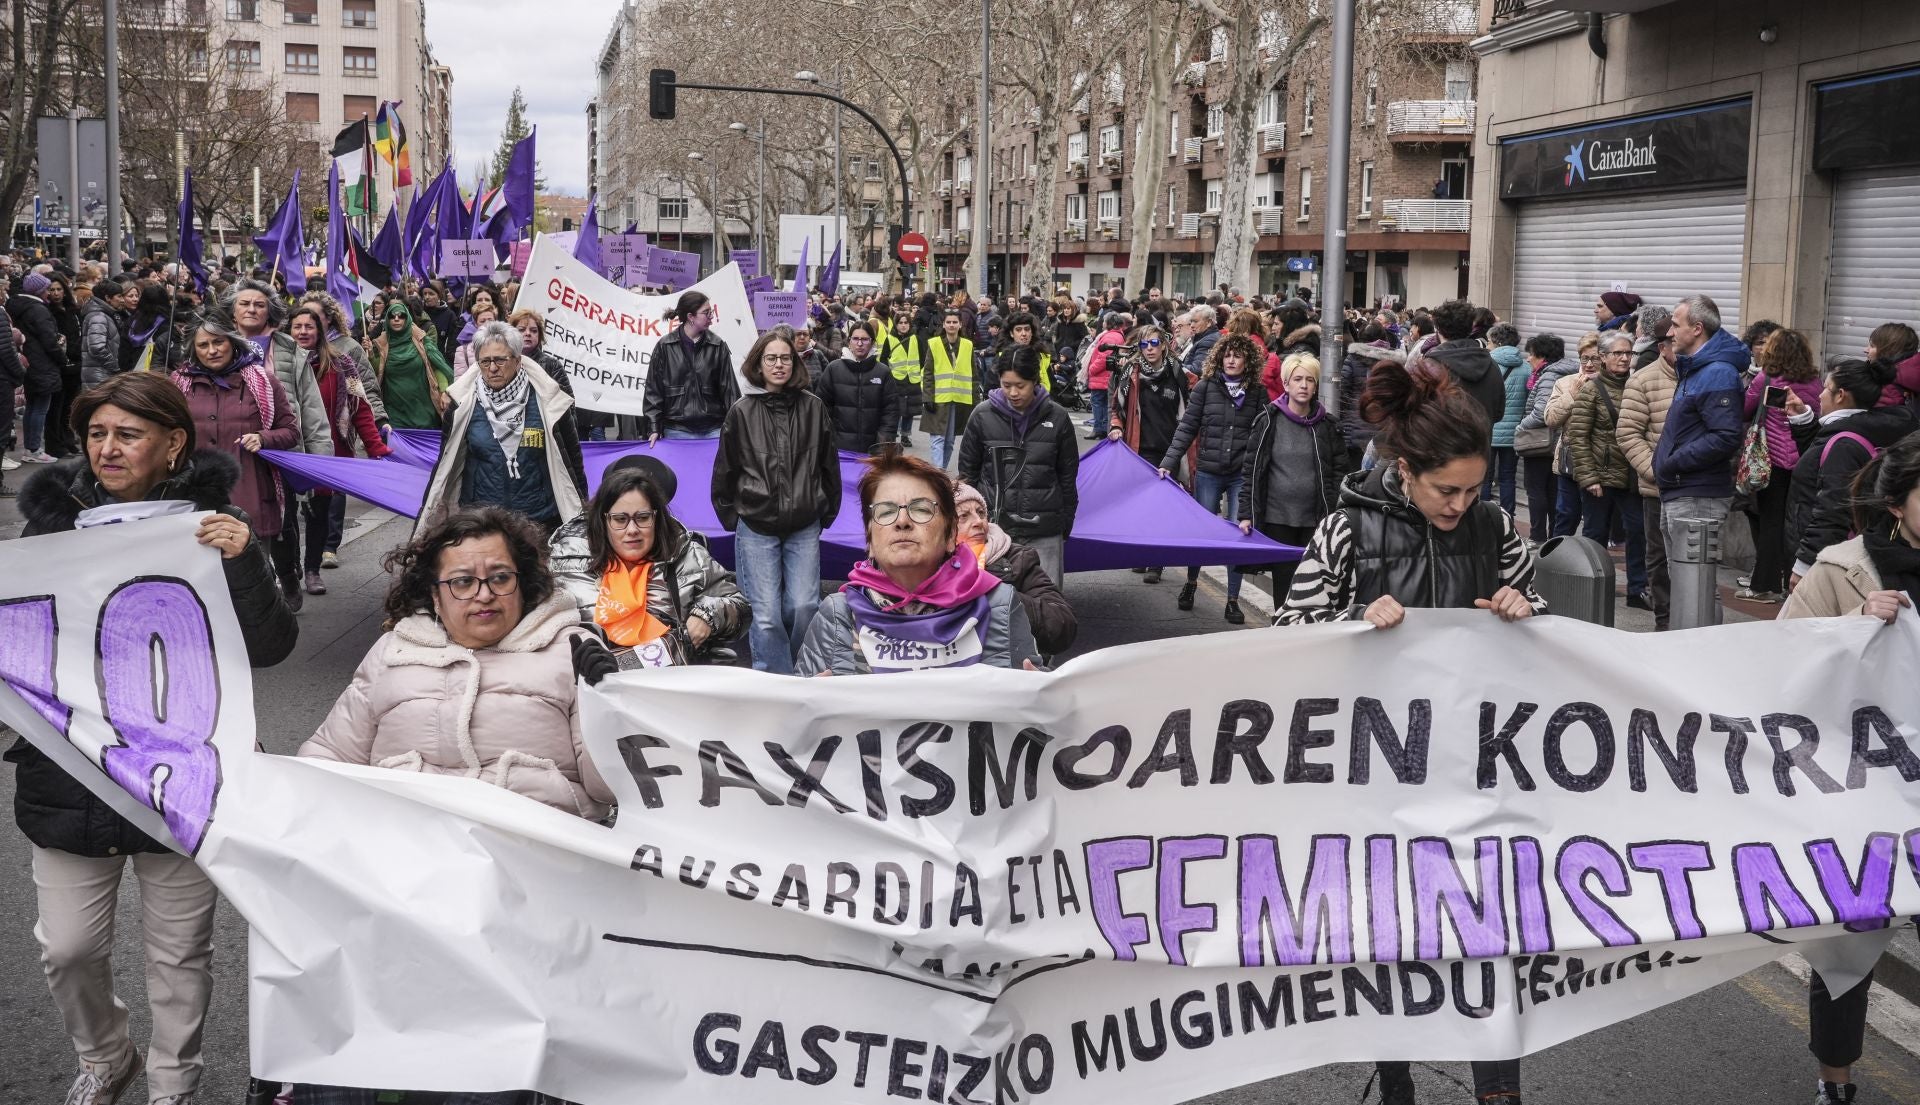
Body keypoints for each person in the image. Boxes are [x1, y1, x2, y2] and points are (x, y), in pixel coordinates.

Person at [11, 371, 296, 1105]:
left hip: (184, 773)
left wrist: (244, 564)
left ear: (173, 444)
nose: (108, 448)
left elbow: (269, 646)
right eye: (97, 433)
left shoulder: (216, 527)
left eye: (127, 434)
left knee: (179, 953)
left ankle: (173, 1081)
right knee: (67, 948)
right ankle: (106, 1056)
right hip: (71, 772)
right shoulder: (49, 525)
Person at [301, 507, 615, 819]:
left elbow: (611, 788)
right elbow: (329, 757)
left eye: (501, 578)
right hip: (405, 849)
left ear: (524, 583)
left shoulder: (572, 649)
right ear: (434, 595)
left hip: (538, 854)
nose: (484, 594)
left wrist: (612, 707)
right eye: (463, 582)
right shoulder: (391, 652)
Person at [1779, 433, 1920, 1105]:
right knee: (1846, 950)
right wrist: (1850, 633)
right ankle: (1835, 1079)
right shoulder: (1842, 568)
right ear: (1897, 503)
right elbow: (1781, 670)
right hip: (1860, 796)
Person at [797, 451, 1039, 675]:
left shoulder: (998, 604)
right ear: (869, 539)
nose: (902, 521)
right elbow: (794, 714)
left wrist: (1044, 702)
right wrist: (807, 712)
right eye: (885, 511)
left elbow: (1037, 713)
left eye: (921, 509)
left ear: (951, 535)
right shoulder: (837, 614)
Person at [712, 327, 840, 674]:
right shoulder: (741, 411)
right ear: (759, 362)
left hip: (803, 524)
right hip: (756, 525)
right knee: (765, 614)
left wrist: (822, 511)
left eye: (785, 358)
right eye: (772, 358)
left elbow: (829, 465)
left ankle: (805, 673)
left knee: (803, 606)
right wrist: (735, 518)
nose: (779, 365)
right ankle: (775, 684)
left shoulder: (813, 408)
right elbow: (725, 471)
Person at [552, 454, 749, 667]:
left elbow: (740, 607)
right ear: (603, 520)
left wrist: (708, 615)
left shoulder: (686, 553)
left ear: (656, 518)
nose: (632, 530)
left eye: (642, 518)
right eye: (620, 519)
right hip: (592, 683)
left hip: (669, 684)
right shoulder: (566, 560)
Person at [172, 312, 305, 608]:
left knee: (254, 572)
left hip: (253, 490)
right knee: (206, 571)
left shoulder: (261, 381)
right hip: (197, 494)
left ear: (232, 342)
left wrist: (264, 437)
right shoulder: (179, 384)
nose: (212, 351)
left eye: (218, 342)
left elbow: (290, 431)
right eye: (203, 345)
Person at [419, 320, 587, 534]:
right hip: (482, 522)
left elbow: (573, 460)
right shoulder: (462, 404)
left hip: (539, 520)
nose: (492, 368)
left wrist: (583, 514)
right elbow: (444, 463)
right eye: (485, 361)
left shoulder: (549, 401)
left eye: (500, 360)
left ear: (517, 361)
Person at [1159, 333, 1269, 623]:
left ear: (1248, 360)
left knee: (1237, 537)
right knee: (1201, 533)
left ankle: (1233, 600)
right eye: (1227, 355)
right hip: (1208, 470)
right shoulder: (1206, 387)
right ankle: (1191, 583)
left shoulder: (1258, 392)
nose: (1231, 360)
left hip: (1240, 476)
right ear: (1219, 358)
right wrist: (1169, 462)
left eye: (1238, 355)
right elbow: (1187, 427)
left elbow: (1265, 436)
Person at [1652, 295, 1751, 605]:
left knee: (1696, 592)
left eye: (1676, 325)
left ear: (1697, 329)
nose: (1670, 333)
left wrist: (1672, 463)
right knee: (1685, 588)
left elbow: (1725, 435)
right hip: (1681, 489)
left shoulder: (1716, 371)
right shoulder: (1697, 368)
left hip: (1696, 494)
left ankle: (1702, 649)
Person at [1785, 358, 1919, 585]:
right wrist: (1803, 419)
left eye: (1826, 388)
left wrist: (1805, 565)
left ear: (1840, 395)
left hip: (1826, 563)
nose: (1819, 395)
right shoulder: (1859, 431)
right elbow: (1819, 465)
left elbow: (1832, 510)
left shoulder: (1844, 444)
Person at [959, 346, 1079, 594]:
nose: (1013, 392)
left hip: (1045, 528)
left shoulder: (1058, 418)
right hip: (994, 528)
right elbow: (967, 476)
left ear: (1034, 381)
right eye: (1006, 384)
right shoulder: (981, 416)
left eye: (1020, 385)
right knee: (995, 606)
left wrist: (1065, 521)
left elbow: (1067, 476)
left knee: (1047, 604)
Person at [289, 304, 389, 592]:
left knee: (320, 512)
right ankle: (291, 567)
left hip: (329, 454)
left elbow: (361, 409)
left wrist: (376, 447)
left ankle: (312, 570)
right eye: (298, 326)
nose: (303, 332)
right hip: (289, 452)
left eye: (310, 326)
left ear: (320, 331)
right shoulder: (277, 364)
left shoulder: (342, 362)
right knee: (288, 517)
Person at [1238, 351, 1348, 599]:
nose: (1304, 385)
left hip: (1316, 521)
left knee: (1314, 586)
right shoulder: (1267, 420)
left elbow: (1339, 473)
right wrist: (1246, 514)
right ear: (1286, 383)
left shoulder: (1327, 426)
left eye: (1310, 380)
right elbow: (1252, 471)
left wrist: (1334, 513)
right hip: (1278, 521)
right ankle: (1282, 632)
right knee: (1284, 588)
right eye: (1298, 379)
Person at [1735, 328, 1824, 602]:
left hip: (1771, 463)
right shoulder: (1815, 383)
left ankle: (1764, 585)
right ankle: (1792, 582)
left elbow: (1745, 410)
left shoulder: (1767, 379)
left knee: (1771, 524)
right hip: (1804, 461)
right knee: (1796, 524)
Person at [1567, 331, 1648, 603]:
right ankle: (1594, 586)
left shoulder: (1638, 385)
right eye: (1618, 353)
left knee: (1638, 531)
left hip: (1632, 475)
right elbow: (1577, 436)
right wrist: (1589, 477)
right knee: (1595, 533)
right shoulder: (1591, 390)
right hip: (1599, 477)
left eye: (1629, 353)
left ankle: (1638, 589)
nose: (1625, 358)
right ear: (1603, 357)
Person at [954, 481, 1077, 656]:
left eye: (981, 512)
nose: (979, 522)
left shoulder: (1016, 558)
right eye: (963, 516)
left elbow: (1062, 626)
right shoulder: (923, 566)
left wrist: (999, 594)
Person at [1108, 324, 1190, 583]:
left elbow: (1189, 411)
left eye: (1154, 344)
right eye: (1144, 345)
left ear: (1164, 345)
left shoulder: (1178, 374)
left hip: (1171, 450)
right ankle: (1144, 554)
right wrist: (1116, 427)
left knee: (1162, 507)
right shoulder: (1130, 375)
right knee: (1143, 506)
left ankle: (1157, 561)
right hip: (1140, 449)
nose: (1150, 349)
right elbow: (1116, 408)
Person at [1617, 317, 1678, 625]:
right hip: (1657, 488)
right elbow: (1628, 433)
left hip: (1697, 487)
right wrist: (1653, 471)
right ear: (1662, 347)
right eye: (1675, 341)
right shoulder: (1642, 380)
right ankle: (1665, 620)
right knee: (1659, 557)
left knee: (1698, 558)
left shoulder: (1707, 375)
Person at [645, 290, 738, 441]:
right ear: (690, 317)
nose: (711, 316)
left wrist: (736, 428)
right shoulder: (665, 346)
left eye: (711, 312)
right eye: (706, 312)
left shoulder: (717, 345)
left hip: (714, 430)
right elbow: (653, 390)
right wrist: (653, 428)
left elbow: (730, 390)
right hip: (676, 430)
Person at [1546, 333, 1604, 538]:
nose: (1589, 363)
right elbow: (1551, 418)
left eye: (1594, 358)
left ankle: (1593, 565)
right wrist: (1572, 394)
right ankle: (1556, 560)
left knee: (1594, 520)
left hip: (1599, 462)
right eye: (1584, 358)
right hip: (1569, 460)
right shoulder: (1565, 383)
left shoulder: (1611, 384)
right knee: (1566, 514)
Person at [814, 320, 901, 453]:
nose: (859, 344)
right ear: (849, 341)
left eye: (865, 339)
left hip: (873, 450)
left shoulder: (883, 372)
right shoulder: (833, 369)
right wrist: (829, 441)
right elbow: (822, 409)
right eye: (855, 339)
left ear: (872, 342)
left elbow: (891, 411)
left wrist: (883, 443)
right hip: (840, 449)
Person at [7, 270, 66, 464]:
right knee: (40, 407)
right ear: (40, 290)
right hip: (42, 363)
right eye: (48, 288)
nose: (50, 292)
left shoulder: (18, 306)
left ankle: (31, 448)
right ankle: (33, 449)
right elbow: (48, 339)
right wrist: (61, 356)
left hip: (30, 360)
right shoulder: (38, 309)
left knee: (33, 406)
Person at [1420, 298, 1505, 433]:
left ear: (1438, 329)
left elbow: (1415, 415)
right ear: (1470, 327)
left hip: (1439, 448)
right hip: (1479, 447)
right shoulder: (1492, 365)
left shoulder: (1429, 366)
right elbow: (1498, 413)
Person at [369, 298, 454, 431]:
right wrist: (370, 354)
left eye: (401, 316)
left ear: (407, 318)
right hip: (395, 412)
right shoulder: (380, 344)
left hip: (424, 410)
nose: (396, 319)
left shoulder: (421, 340)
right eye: (392, 316)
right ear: (387, 320)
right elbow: (376, 374)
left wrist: (444, 391)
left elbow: (437, 366)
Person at [1339, 321, 1402, 472]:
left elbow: (1342, 393)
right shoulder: (1394, 362)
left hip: (1354, 428)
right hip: (1384, 429)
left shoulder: (1353, 359)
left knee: (1355, 477)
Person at [922, 308, 979, 467]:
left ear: (960, 324)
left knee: (950, 441)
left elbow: (974, 375)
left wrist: (975, 399)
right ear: (944, 325)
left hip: (960, 400)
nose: (952, 325)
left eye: (955, 322)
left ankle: (943, 472)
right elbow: (927, 372)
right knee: (937, 439)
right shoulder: (934, 344)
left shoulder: (968, 345)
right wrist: (927, 397)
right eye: (949, 322)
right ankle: (938, 474)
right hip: (938, 398)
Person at [1485, 323, 1529, 516]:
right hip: (1513, 433)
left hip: (1488, 430)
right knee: (1508, 477)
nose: (1487, 345)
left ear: (1497, 341)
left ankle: (1484, 514)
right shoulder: (1526, 367)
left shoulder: (1486, 364)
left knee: (1485, 477)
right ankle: (1508, 515)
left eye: (1489, 341)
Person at [879, 310, 924, 446]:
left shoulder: (916, 338)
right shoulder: (890, 338)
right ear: (896, 324)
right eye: (900, 323)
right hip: (896, 379)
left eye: (906, 323)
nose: (903, 325)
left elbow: (922, 358)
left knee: (909, 411)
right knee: (895, 409)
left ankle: (905, 435)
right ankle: (893, 434)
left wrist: (915, 370)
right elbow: (883, 359)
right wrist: (890, 375)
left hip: (912, 379)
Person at [1082, 312, 1128, 442]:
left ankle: (1099, 428)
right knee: (1103, 403)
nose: (1102, 324)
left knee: (1098, 402)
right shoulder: (1117, 335)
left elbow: (1103, 357)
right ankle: (1101, 427)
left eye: (1103, 321)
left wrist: (1091, 369)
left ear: (1109, 323)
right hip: (1105, 376)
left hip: (1102, 376)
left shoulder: (1110, 337)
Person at [78, 278, 130, 388]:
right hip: (100, 377)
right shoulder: (98, 317)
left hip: (101, 375)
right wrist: (116, 367)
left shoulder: (106, 314)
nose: (122, 300)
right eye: (119, 296)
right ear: (107, 298)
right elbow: (97, 348)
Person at [451, 299, 504, 377]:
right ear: (475, 324)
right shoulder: (463, 351)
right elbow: (460, 382)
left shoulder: (506, 345)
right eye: (482, 321)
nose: (487, 324)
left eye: (490, 320)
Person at [1180, 304, 1220, 377]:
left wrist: (1174, 365)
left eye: (1195, 321)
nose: (1191, 325)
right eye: (1191, 321)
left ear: (1208, 322)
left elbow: (1197, 370)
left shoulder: (1209, 341)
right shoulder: (1204, 337)